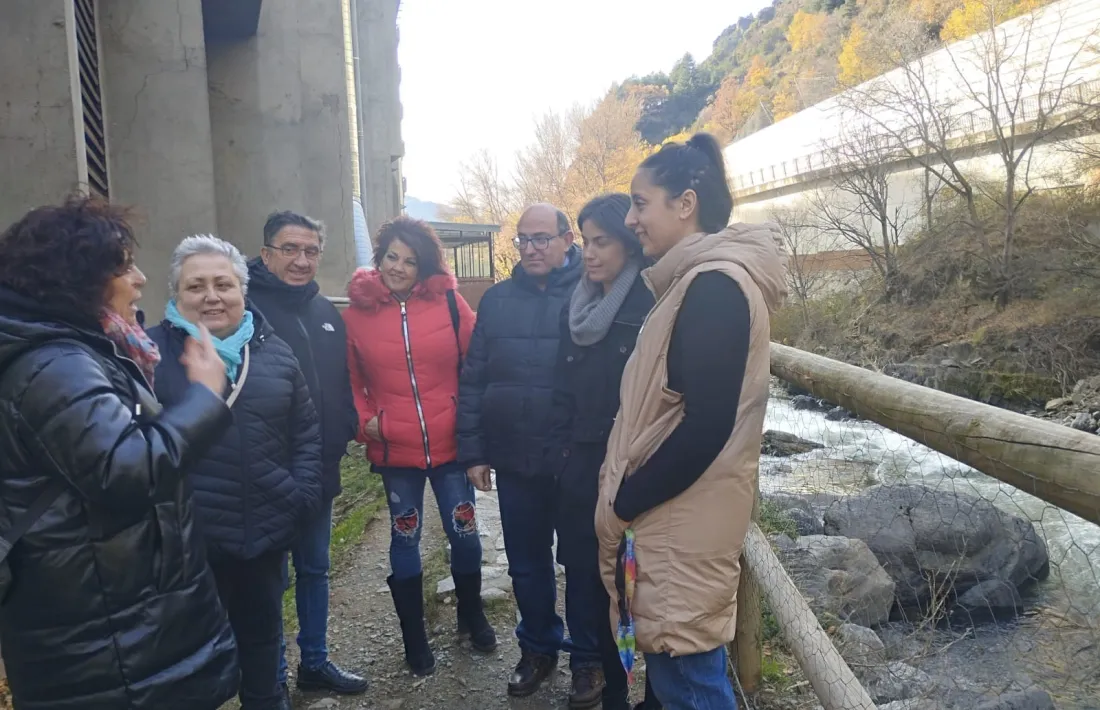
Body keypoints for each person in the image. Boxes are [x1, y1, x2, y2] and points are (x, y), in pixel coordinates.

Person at [0, 196, 239, 710]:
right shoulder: (55, 365)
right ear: (80, 279)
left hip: (118, 626)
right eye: (125, 266)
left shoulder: (72, 350)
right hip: (110, 648)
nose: (140, 279)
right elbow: (127, 470)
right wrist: (204, 396)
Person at [594, 133, 786, 710]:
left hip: (680, 523)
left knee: (690, 682)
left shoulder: (714, 287)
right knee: (681, 675)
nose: (630, 219)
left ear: (685, 204)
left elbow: (705, 426)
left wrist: (628, 499)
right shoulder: (693, 282)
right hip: (677, 519)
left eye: (640, 203)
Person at [148, 235, 324, 710]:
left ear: (242, 290)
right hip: (186, 549)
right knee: (187, 666)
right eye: (196, 286)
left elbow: (306, 432)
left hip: (261, 537)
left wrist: (299, 498)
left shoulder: (273, 352)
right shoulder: (150, 356)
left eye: (223, 284)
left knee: (263, 648)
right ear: (176, 293)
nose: (211, 297)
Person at [343, 217, 497, 677]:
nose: (399, 267)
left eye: (410, 261)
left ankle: (472, 614)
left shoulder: (449, 302)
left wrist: (475, 429)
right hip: (396, 452)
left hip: (451, 447)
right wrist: (366, 422)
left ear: (423, 265)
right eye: (392, 257)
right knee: (405, 537)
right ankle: (414, 637)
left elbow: (477, 364)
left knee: (464, 532)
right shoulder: (356, 314)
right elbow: (349, 379)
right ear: (379, 258)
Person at [457, 203, 582, 697]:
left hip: (574, 458)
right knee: (526, 564)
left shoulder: (593, 293)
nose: (531, 248)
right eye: (524, 240)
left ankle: (589, 656)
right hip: (514, 456)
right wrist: (474, 452)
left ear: (567, 239)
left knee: (582, 563)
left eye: (542, 238)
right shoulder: (496, 300)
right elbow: (474, 378)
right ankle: (538, 649)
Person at [247, 210, 367, 697]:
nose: (301, 260)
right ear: (266, 254)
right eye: (290, 249)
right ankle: (272, 678)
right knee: (271, 581)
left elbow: (339, 383)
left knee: (315, 569)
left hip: (320, 469)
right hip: (267, 476)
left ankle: (314, 662)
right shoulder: (245, 310)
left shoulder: (324, 313)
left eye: (311, 251)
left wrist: (346, 427)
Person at [546, 194, 657, 710]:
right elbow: (560, 392)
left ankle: (653, 695)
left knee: (639, 589)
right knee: (590, 586)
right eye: (586, 242)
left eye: (602, 242)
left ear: (628, 243)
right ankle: (612, 691)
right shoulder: (577, 306)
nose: (589, 253)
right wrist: (562, 459)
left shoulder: (651, 306)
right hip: (580, 471)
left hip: (632, 472)